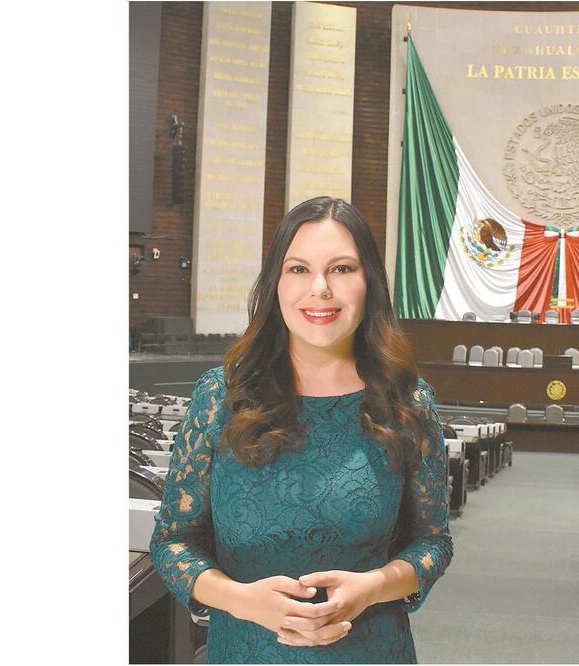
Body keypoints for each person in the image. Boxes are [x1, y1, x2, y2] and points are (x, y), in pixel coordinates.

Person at [150, 197, 454, 663]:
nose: (320, 289)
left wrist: (372, 588)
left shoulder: (408, 404)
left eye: (342, 269)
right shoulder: (220, 398)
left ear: (369, 282)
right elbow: (172, 543)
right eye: (298, 269)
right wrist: (241, 600)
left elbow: (433, 543)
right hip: (245, 653)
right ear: (275, 282)